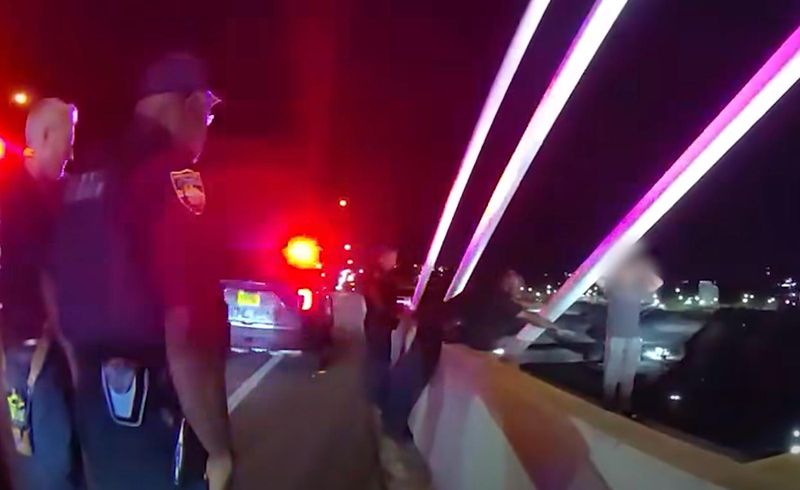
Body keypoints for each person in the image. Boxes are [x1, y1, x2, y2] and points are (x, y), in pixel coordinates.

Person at [51, 53, 230, 490]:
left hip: (95, 405)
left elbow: (52, 280)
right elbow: (186, 330)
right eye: (207, 112)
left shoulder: (86, 172)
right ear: (189, 106)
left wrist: (81, 373)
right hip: (157, 409)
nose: (207, 124)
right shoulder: (174, 176)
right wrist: (220, 448)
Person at [0, 98, 81, 490]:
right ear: (46, 136)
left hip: (51, 345)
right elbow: (47, 274)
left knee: (67, 455)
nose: (71, 150)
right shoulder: (16, 194)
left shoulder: (57, 190)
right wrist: (68, 345)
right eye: (68, 137)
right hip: (32, 349)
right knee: (49, 463)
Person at [598, 246, 663, 413]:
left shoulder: (638, 288)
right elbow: (599, 275)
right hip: (615, 336)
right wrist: (616, 265)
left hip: (634, 337)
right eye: (626, 271)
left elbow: (658, 282)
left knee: (629, 373)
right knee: (612, 371)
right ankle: (608, 402)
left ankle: (624, 404)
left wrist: (642, 269)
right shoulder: (612, 288)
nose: (629, 273)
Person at [462, 269, 560, 352]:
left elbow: (522, 304)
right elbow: (531, 317)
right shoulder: (503, 300)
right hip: (486, 342)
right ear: (509, 285)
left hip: (475, 338)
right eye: (518, 286)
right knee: (527, 343)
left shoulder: (495, 296)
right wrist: (555, 327)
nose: (520, 289)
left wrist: (546, 304)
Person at [361, 245, 400, 411]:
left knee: (378, 360)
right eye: (392, 257)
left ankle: (376, 396)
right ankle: (378, 398)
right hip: (378, 325)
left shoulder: (383, 276)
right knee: (379, 361)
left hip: (378, 324)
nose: (395, 261)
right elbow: (377, 301)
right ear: (382, 258)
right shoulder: (377, 277)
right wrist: (390, 316)